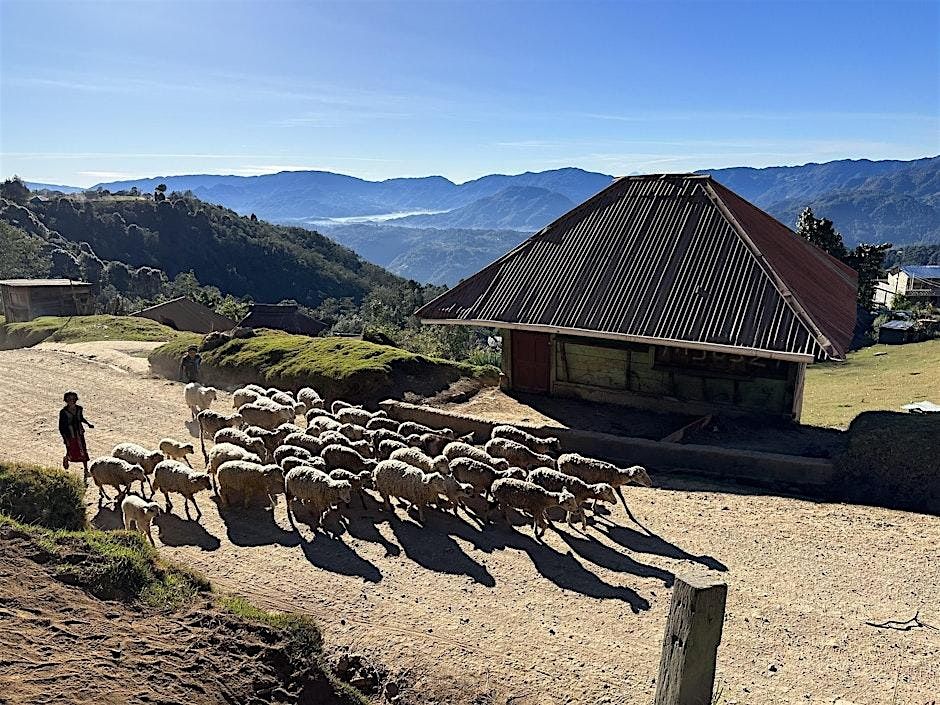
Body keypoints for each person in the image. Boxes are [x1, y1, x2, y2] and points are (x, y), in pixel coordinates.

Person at [59, 391, 94, 480]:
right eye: (70, 399)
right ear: (66, 400)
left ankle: (86, 470)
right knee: (71, 449)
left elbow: (80, 418)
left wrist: (88, 424)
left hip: (79, 432)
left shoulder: (79, 409)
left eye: (74, 399)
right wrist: (65, 438)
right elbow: (61, 426)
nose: (72, 401)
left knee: (83, 450)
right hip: (70, 434)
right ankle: (67, 458)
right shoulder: (63, 412)